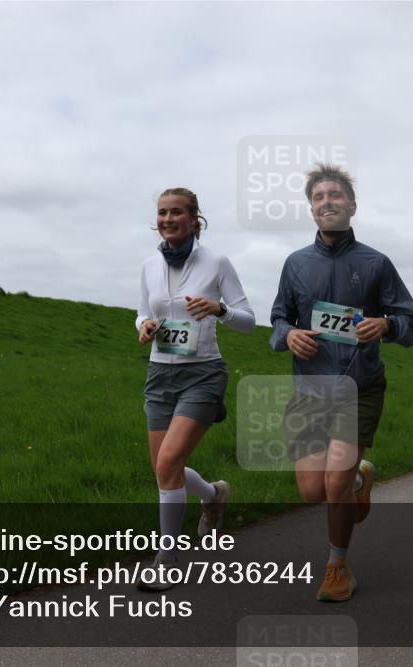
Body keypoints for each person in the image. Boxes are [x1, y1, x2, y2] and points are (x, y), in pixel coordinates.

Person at [270, 164, 413, 602]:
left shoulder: (376, 263)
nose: (327, 202)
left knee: (333, 484)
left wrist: (386, 325)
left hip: (359, 387)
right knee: (312, 491)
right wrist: (288, 335)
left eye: (335, 195)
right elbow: (278, 318)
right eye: (319, 197)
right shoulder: (295, 264)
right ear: (311, 209)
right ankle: (359, 481)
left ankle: (338, 567)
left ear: (352, 206)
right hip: (310, 389)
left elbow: (409, 319)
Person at [136, 187, 255, 591]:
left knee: (169, 462)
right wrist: (144, 326)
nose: (168, 219)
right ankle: (213, 495)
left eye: (176, 213)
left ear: (194, 219)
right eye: (162, 212)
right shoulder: (149, 265)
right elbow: (142, 311)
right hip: (160, 374)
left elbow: (248, 320)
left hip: (203, 374)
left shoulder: (216, 262)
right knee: (163, 468)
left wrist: (220, 309)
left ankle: (167, 559)